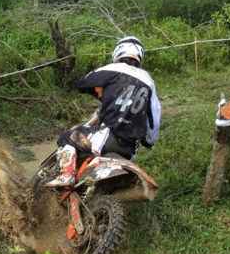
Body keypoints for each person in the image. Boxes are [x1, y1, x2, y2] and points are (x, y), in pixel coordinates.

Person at [46, 36, 161, 188]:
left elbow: (82, 82)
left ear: (118, 52)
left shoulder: (112, 69)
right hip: (129, 149)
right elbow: (155, 115)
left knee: (67, 136)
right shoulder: (149, 81)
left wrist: (97, 91)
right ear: (139, 55)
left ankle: (66, 175)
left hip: (106, 139)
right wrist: (150, 140)